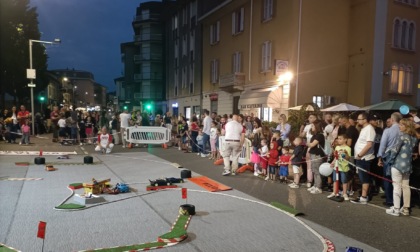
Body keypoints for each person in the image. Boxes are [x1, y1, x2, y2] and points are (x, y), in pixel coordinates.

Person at [383, 118, 416, 216]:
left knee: (396, 186)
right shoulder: (413, 138)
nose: (399, 126)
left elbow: (395, 151)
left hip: (397, 164)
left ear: (407, 126)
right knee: (406, 186)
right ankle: (406, 208)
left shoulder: (401, 137)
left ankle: (396, 208)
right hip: (407, 165)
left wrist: (389, 160)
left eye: (402, 125)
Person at [377, 112, 402, 207]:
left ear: (392, 119)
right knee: (398, 179)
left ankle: (389, 200)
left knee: (387, 178)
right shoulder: (403, 130)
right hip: (399, 157)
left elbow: (382, 145)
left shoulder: (387, 131)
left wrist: (380, 157)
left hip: (388, 156)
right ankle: (399, 200)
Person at [351, 112, 376, 204]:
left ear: (365, 120)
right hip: (360, 157)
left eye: (359, 119)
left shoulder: (369, 129)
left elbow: (369, 144)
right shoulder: (364, 129)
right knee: (361, 177)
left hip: (364, 158)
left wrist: (360, 155)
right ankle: (362, 194)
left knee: (364, 177)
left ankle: (364, 197)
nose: (357, 121)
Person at [328, 134, 351, 200]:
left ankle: (344, 193)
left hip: (344, 167)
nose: (338, 140)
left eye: (340, 139)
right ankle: (334, 192)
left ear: (345, 140)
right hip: (336, 167)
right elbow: (336, 157)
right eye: (338, 139)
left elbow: (348, 158)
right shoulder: (337, 147)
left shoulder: (348, 148)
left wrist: (345, 154)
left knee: (344, 181)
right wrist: (333, 162)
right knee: (335, 180)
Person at [307, 121, 326, 194]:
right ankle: (315, 185)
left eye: (313, 126)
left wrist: (308, 143)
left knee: (317, 171)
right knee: (314, 170)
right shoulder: (314, 135)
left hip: (317, 155)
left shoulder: (320, 135)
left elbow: (312, 144)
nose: (311, 128)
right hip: (313, 154)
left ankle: (318, 187)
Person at [300, 113, 318, 188]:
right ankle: (309, 180)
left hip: (315, 146)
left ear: (315, 118)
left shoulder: (317, 126)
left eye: (311, 117)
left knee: (315, 165)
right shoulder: (307, 126)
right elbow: (302, 135)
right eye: (309, 117)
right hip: (308, 146)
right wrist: (301, 128)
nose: (310, 119)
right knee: (309, 165)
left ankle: (316, 182)